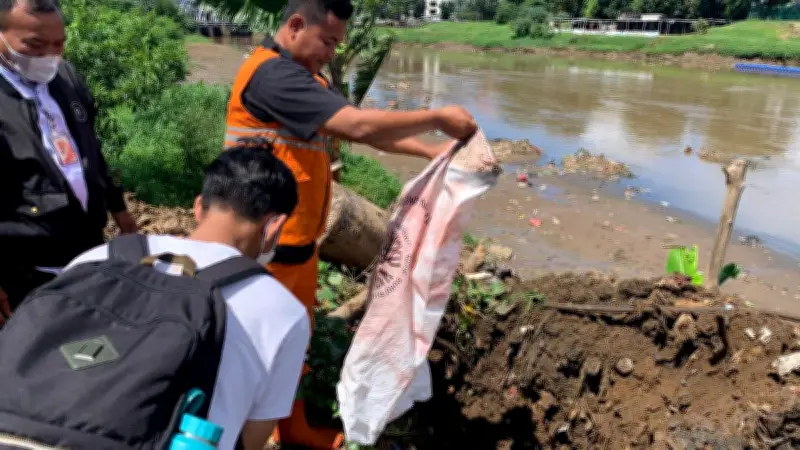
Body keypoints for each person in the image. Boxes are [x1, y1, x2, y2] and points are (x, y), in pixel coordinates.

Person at [224, 0, 478, 447]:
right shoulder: (272, 76)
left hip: (299, 245)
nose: (331, 54)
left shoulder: (309, 79)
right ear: (296, 25)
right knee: (253, 350)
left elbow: (362, 129)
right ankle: (236, 435)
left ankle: (293, 429)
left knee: (292, 345)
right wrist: (437, 118)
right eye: (327, 41)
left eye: (337, 44)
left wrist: (427, 151)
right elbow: (358, 125)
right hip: (261, 250)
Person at [65, 140, 311, 450]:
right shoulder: (283, 312)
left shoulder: (94, 260)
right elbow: (252, 437)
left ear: (198, 206)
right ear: (275, 227)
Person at [0, 0, 137, 323]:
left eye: (59, 44)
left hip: (85, 255)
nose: (49, 55)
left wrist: (118, 208)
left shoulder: (65, 77)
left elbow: (91, 148)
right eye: (35, 45)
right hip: (24, 270)